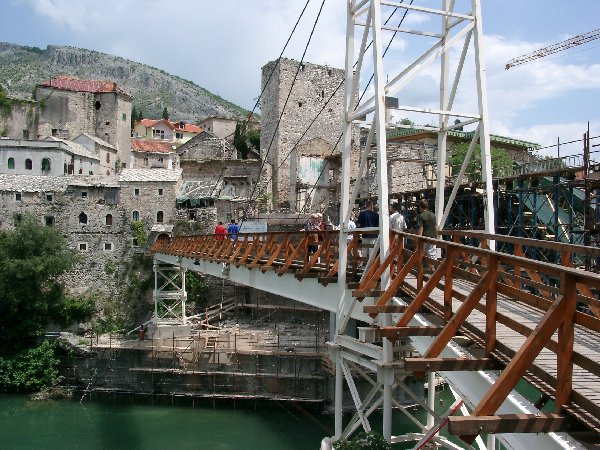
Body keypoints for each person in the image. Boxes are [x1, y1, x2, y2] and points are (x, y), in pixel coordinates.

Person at [416, 199, 438, 270]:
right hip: (433, 237)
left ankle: (421, 271)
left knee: (421, 254)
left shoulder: (421, 216)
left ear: (420, 207)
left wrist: (418, 238)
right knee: (432, 255)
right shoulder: (433, 215)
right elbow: (435, 227)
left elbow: (421, 228)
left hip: (425, 238)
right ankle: (434, 272)